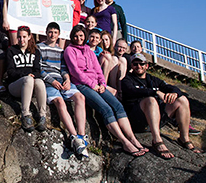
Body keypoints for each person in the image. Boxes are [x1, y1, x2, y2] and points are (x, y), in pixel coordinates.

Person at [63, 25, 148, 157]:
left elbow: (98, 69)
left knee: (118, 106)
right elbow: (75, 72)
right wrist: (93, 85)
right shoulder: (69, 50)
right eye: (76, 36)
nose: (79, 38)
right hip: (83, 85)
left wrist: (102, 83)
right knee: (105, 109)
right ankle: (124, 141)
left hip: (97, 84)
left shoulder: (89, 51)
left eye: (81, 36)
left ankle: (132, 138)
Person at [121, 53, 202, 158]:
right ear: (131, 66)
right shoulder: (127, 80)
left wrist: (174, 93)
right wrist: (155, 92)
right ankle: (157, 140)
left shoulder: (153, 80)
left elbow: (170, 87)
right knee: (151, 100)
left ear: (147, 65)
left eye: (141, 63)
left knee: (182, 100)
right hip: (137, 119)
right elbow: (131, 91)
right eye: (135, 64)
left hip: (156, 118)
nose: (138, 66)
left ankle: (184, 138)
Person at [38, 22, 90, 158]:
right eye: (50, 32)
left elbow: (64, 69)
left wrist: (67, 79)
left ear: (59, 35)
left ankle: (81, 134)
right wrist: (52, 81)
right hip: (48, 82)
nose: (52, 35)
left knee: (80, 97)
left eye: (55, 32)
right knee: (60, 102)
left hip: (62, 80)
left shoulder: (61, 51)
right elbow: (39, 69)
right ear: (46, 32)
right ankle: (74, 137)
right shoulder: (39, 48)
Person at [6, 25, 48, 132]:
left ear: (29, 37)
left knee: (39, 82)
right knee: (28, 79)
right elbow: (11, 72)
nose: (21, 40)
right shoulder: (11, 51)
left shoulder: (35, 52)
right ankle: (25, 115)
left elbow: (37, 71)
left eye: (24, 37)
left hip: (31, 86)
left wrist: (31, 75)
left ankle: (42, 116)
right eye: (19, 37)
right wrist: (26, 75)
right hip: (15, 85)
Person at [98, 31, 122, 97]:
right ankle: (104, 84)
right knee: (108, 57)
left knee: (117, 59)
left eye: (106, 40)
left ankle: (116, 86)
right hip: (100, 74)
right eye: (102, 40)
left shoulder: (113, 52)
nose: (105, 42)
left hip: (110, 76)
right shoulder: (98, 50)